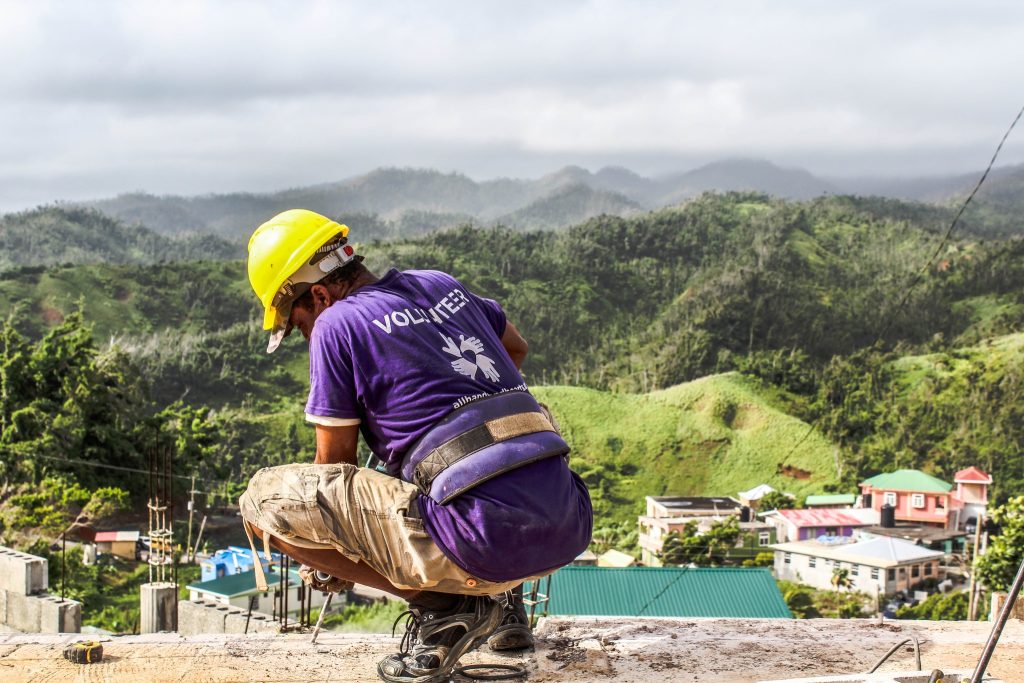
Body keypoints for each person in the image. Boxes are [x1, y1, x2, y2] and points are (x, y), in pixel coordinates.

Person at [238, 209, 593, 683]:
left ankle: (445, 609)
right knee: (502, 431)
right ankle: (505, 605)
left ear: (319, 294)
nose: (305, 334)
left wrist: (332, 554)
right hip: (567, 523)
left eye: (297, 323)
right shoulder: (438, 282)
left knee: (262, 506)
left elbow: (333, 471)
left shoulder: (335, 324)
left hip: (481, 541)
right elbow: (516, 350)